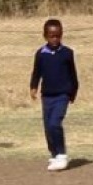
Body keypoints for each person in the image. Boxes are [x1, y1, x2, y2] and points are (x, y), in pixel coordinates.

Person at [29, 19, 79, 172]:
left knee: (54, 123)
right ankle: (54, 153)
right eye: (52, 36)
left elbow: (73, 74)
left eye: (58, 36)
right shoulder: (41, 54)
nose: (55, 39)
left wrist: (73, 91)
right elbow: (36, 72)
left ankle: (62, 154)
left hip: (62, 95)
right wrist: (33, 86)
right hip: (47, 95)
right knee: (47, 127)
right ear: (45, 36)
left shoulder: (67, 53)